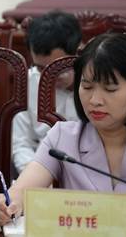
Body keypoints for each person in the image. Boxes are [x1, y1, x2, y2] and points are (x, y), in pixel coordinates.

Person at [0, 33, 126, 234]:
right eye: (87, 86)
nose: (94, 100)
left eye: (110, 89)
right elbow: (22, 192)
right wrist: (7, 206)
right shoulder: (62, 137)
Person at [12, 10, 81, 173]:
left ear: (77, 53)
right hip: (40, 170)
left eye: (57, 67)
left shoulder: (99, 86)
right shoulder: (29, 81)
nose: (47, 76)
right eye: (41, 68)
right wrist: (34, 176)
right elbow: (20, 143)